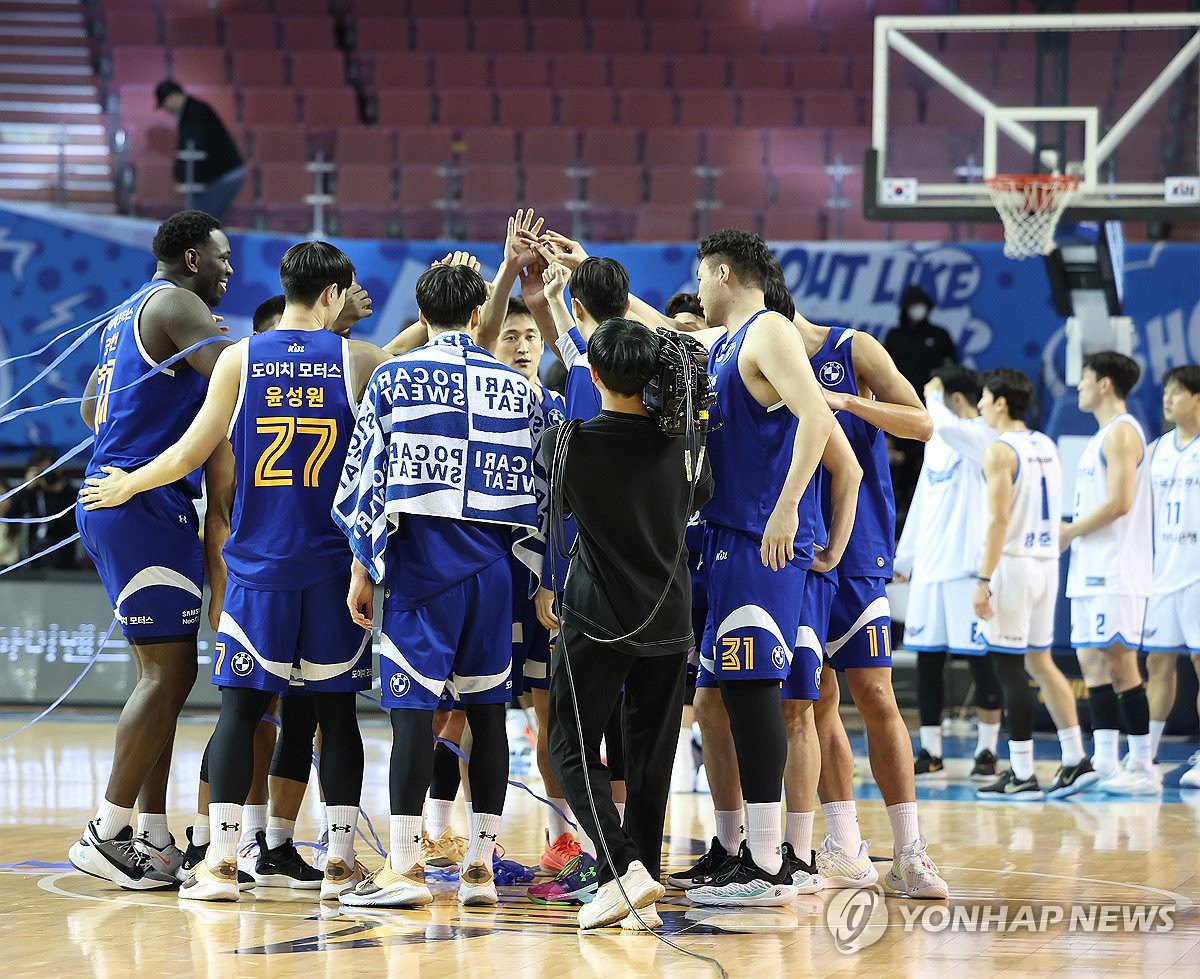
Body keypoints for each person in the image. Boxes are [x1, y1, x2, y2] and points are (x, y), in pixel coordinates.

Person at [79, 241, 388, 902]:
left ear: (288, 287)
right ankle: (338, 864)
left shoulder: (242, 358)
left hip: (254, 565)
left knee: (239, 712)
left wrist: (128, 483)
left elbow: (190, 449)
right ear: (335, 296)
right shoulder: (359, 358)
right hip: (330, 565)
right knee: (337, 716)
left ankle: (220, 862)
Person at [333, 263, 545, 910]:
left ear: (422, 316)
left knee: (413, 723)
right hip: (491, 574)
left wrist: (361, 566)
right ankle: (480, 867)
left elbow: (366, 479)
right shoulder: (521, 387)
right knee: (488, 714)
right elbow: (543, 490)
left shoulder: (394, 377)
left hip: (420, 570)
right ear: (481, 317)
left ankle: (404, 868)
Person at [69, 209, 233, 890]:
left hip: (123, 500)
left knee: (164, 676)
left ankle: (153, 833)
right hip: (138, 503)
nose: (229, 267)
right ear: (191, 258)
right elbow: (241, 372)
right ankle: (106, 832)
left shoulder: (130, 312)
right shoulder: (177, 301)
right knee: (167, 677)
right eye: (221, 256)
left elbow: (90, 407)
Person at [543, 317, 713, 930]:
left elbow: (558, 506)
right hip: (670, 613)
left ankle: (621, 869)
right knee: (651, 754)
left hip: (596, 614)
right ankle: (644, 872)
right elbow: (700, 499)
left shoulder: (571, 442)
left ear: (594, 375)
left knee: (568, 744)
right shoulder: (688, 445)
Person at [683, 229, 834, 906]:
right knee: (712, 701)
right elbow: (665, 330)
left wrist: (788, 505)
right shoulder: (724, 343)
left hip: (760, 536)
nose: (696, 287)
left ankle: (770, 863)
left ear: (721, 273)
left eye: (700, 275)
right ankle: (733, 845)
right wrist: (592, 278)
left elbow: (818, 418)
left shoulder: (769, 329)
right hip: (725, 536)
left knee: (751, 692)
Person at [973, 369, 1097, 801]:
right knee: (1041, 663)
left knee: (1009, 667)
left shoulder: (999, 451)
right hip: (1047, 563)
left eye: (985, 398)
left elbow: (998, 520)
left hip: (1013, 565)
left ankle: (1022, 772)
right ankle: (1075, 758)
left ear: (1002, 402)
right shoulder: (1045, 443)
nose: (981, 406)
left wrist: (983, 579)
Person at [894, 366, 1004, 779]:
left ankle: (987, 751)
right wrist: (906, 559)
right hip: (931, 571)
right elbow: (923, 500)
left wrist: (933, 394)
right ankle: (930, 750)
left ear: (955, 400)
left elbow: (943, 423)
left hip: (965, 569)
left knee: (979, 659)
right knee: (928, 661)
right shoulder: (939, 441)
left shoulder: (984, 437)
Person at [1061, 351, 1158, 795]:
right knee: (1091, 661)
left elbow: (1121, 502)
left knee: (1121, 662)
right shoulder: (1100, 436)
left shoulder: (1122, 433)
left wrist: (1070, 531)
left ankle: (1141, 765)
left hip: (1117, 569)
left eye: (1083, 378)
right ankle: (1103, 760)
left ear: (1104, 384)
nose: (1076, 386)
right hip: (1090, 566)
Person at [1143, 365, 1200, 787]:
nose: (1167, 398)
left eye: (1177, 392)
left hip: (1197, 573)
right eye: (1165, 391)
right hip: (1164, 571)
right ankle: (1146, 756)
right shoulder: (1157, 448)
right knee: (1157, 661)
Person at [884, 284, 958, 518]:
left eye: (923, 306)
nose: (919, 310)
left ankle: (928, 515)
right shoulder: (894, 337)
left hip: (931, 412)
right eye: (915, 306)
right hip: (899, 408)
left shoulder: (939, 335)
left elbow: (952, 371)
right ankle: (896, 521)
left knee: (925, 467)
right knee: (897, 473)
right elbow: (883, 377)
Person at [155, 80, 246, 220]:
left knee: (198, 220)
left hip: (223, 175)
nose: (166, 110)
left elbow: (194, 149)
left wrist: (183, 178)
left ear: (172, 97)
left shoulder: (194, 113)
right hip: (222, 175)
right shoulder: (194, 110)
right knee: (199, 217)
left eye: (164, 103)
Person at [6, 446, 79, 570]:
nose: (46, 474)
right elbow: (11, 515)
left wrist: (57, 493)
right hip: (35, 557)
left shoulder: (71, 493)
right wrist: (26, 488)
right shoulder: (33, 493)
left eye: (49, 469)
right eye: (41, 471)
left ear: (59, 467)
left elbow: (72, 524)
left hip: (64, 558)